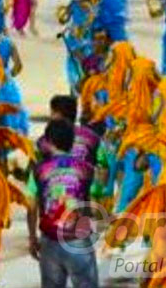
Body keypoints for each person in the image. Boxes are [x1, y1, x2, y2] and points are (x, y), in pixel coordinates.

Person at [27, 118, 98, 288]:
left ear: (49, 141)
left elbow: (31, 205)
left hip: (50, 240)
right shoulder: (86, 169)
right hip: (79, 240)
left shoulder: (39, 170)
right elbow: (95, 199)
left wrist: (32, 237)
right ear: (72, 141)